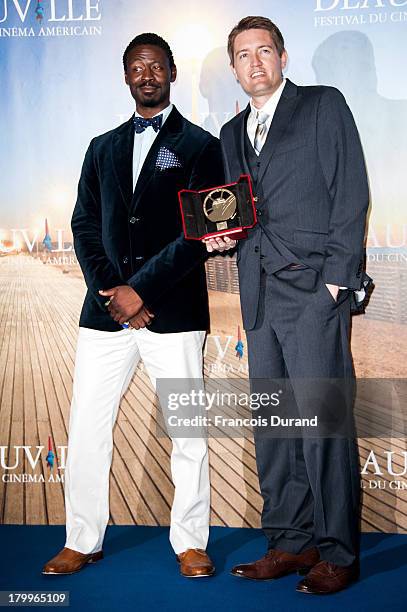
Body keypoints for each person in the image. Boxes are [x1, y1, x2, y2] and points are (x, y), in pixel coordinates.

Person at [43, 32, 224, 578]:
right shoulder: (101, 146)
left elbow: (198, 233)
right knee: (88, 428)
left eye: (156, 66)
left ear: (171, 71)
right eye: (137, 67)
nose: (147, 75)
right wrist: (113, 292)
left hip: (172, 312)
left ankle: (191, 542)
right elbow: (83, 226)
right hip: (105, 313)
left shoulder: (201, 145)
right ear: (126, 77)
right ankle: (82, 539)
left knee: (187, 433)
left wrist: (140, 291)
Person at [205, 16, 369, 594]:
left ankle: (339, 553)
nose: (255, 62)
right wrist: (223, 239)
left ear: (282, 57)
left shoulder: (324, 105)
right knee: (275, 425)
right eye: (243, 55)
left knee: (323, 424)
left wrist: (335, 283)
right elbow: (236, 212)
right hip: (259, 294)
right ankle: (290, 542)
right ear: (233, 68)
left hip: (312, 293)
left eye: (264, 51)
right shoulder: (229, 133)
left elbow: (351, 192)